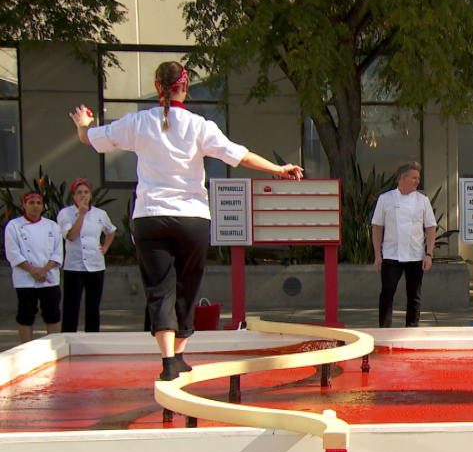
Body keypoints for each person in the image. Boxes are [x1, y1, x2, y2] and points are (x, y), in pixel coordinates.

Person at [70, 61, 304, 381]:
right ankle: (177, 355)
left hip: (151, 217)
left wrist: (84, 124)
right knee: (186, 286)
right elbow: (239, 155)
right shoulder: (198, 125)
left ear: (157, 86)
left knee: (159, 288)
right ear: (185, 87)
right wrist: (279, 169)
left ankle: (169, 360)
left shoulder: (138, 122)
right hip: (192, 217)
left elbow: (89, 138)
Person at [372, 161, 437, 328]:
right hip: (391, 255)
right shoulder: (385, 199)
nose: (417, 181)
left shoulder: (423, 200)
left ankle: (412, 329)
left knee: (414, 296)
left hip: (415, 255)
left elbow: (430, 227)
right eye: (414, 178)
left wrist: (429, 254)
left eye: (418, 178)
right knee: (387, 293)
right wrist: (378, 255)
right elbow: (377, 227)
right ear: (403, 178)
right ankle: (384, 330)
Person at [58, 178, 116, 333]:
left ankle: (92, 337)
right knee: (71, 306)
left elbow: (111, 231)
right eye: (79, 192)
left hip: (96, 265)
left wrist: (105, 247)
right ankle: (69, 336)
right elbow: (71, 236)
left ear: (90, 195)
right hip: (74, 266)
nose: (83, 195)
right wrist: (81, 214)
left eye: (86, 192)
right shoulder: (65, 213)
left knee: (93, 306)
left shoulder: (100, 213)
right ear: (73, 196)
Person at [5, 192, 64, 343]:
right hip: (25, 279)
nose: (35, 206)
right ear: (24, 205)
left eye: (38, 203)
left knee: (53, 315)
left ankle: (55, 347)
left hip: (49, 278)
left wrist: (44, 270)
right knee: (26, 315)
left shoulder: (52, 226)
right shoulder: (13, 226)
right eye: (31, 202)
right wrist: (33, 271)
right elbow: (13, 253)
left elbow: (58, 252)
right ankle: (25, 348)